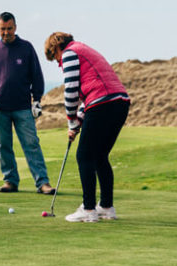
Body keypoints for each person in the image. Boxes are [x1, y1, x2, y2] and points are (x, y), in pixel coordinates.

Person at [44, 32, 130, 222]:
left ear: (57, 47)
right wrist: (79, 119)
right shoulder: (85, 50)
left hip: (103, 104)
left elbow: (71, 90)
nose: (59, 62)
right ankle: (106, 207)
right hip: (119, 103)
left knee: (84, 156)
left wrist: (71, 122)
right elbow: (90, 95)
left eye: (55, 57)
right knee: (99, 156)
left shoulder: (69, 53)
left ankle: (89, 209)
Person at [0, 12, 54, 194]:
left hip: (22, 107)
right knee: (4, 146)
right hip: (0, 109)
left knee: (31, 144)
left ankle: (42, 183)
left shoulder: (26, 48)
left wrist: (37, 100)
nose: (6, 33)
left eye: (9, 29)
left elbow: (37, 76)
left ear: (15, 27)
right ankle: (10, 181)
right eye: (2, 29)